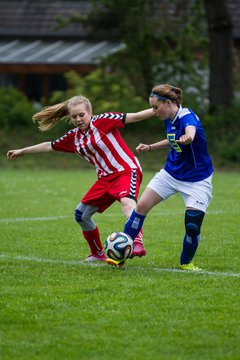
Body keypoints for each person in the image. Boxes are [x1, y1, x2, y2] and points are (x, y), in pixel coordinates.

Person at [7, 95, 154, 264]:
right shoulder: (74, 137)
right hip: (104, 179)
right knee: (81, 215)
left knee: (128, 203)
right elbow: (50, 145)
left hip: (126, 171)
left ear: (89, 112)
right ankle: (97, 253)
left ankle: (137, 242)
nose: (78, 119)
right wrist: (21, 151)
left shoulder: (103, 121)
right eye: (74, 116)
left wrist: (157, 109)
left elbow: (134, 116)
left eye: (81, 115)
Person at [118, 84, 213, 271]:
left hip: (197, 179)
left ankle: (186, 263)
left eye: (155, 107)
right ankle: (120, 254)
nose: (154, 111)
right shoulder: (168, 117)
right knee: (141, 207)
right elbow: (172, 139)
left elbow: (190, 131)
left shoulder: (187, 116)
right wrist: (150, 147)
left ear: (168, 103)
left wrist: (189, 137)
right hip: (170, 174)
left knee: (193, 225)